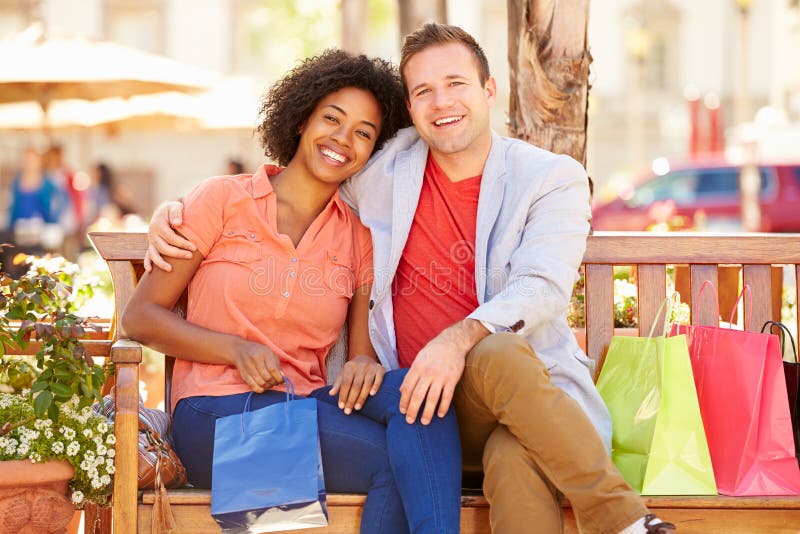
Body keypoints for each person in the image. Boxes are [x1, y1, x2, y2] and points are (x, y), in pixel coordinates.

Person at [145, 24, 676, 534]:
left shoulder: (546, 178)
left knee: (507, 431)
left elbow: (541, 285)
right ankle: (626, 521)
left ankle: (622, 520)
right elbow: (294, 185)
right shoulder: (371, 175)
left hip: (514, 404)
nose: (441, 102)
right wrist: (174, 213)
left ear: (489, 89)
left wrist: (444, 342)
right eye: (423, 90)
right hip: (275, 413)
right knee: (408, 428)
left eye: (456, 84)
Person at [122, 49, 462, 534]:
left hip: (303, 403)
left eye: (363, 133)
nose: (343, 140)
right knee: (391, 460)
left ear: (372, 150)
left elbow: (360, 353)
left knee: (424, 398)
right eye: (332, 119)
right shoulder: (222, 200)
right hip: (213, 416)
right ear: (302, 119)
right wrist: (234, 349)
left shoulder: (357, 236)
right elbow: (140, 317)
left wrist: (365, 363)